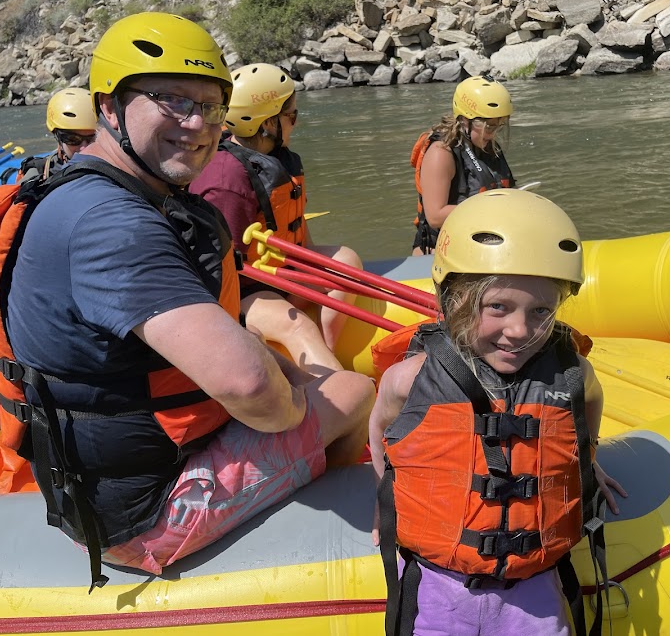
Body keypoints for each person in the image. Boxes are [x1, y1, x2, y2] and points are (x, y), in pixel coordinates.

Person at [0, 12, 374, 589]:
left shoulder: (89, 192)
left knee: (296, 380)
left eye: (210, 104)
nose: (197, 123)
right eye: (171, 99)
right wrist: (303, 410)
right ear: (109, 106)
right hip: (143, 515)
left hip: (118, 472)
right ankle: (339, 521)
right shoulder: (114, 225)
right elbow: (251, 389)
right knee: (351, 390)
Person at [370, 189, 626, 635]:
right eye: (498, 307)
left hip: (535, 587)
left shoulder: (571, 374)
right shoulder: (410, 378)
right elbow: (382, 429)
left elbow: (591, 400)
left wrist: (588, 459)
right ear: (455, 300)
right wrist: (386, 500)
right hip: (441, 586)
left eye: (542, 311)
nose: (520, 330)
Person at [190, 63, 362, 376]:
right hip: (243, 291)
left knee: (347, 260)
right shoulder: (225, 179)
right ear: (268, 122)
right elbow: (218, 269)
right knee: (294, 326)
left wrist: (312, 269)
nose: (296, 123)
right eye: (291, 116)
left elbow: (296, 226)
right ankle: (337, 392)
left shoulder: (277, 158)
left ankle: (330, 350)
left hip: (281, 271)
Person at [410, 75, 516, 255]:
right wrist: (491, 207)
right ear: (465, 120)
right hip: (441, 249)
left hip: (483, 241)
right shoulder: (441, 153)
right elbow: (435, 216)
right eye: (488, 126)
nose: (493, 133)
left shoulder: (486, 144)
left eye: (499, 126)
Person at [12, 87, 97, 182]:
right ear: (58, 138)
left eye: (93, 139)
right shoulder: (39, 176)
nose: (84, 148)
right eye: (73, 139)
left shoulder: (114, 165)